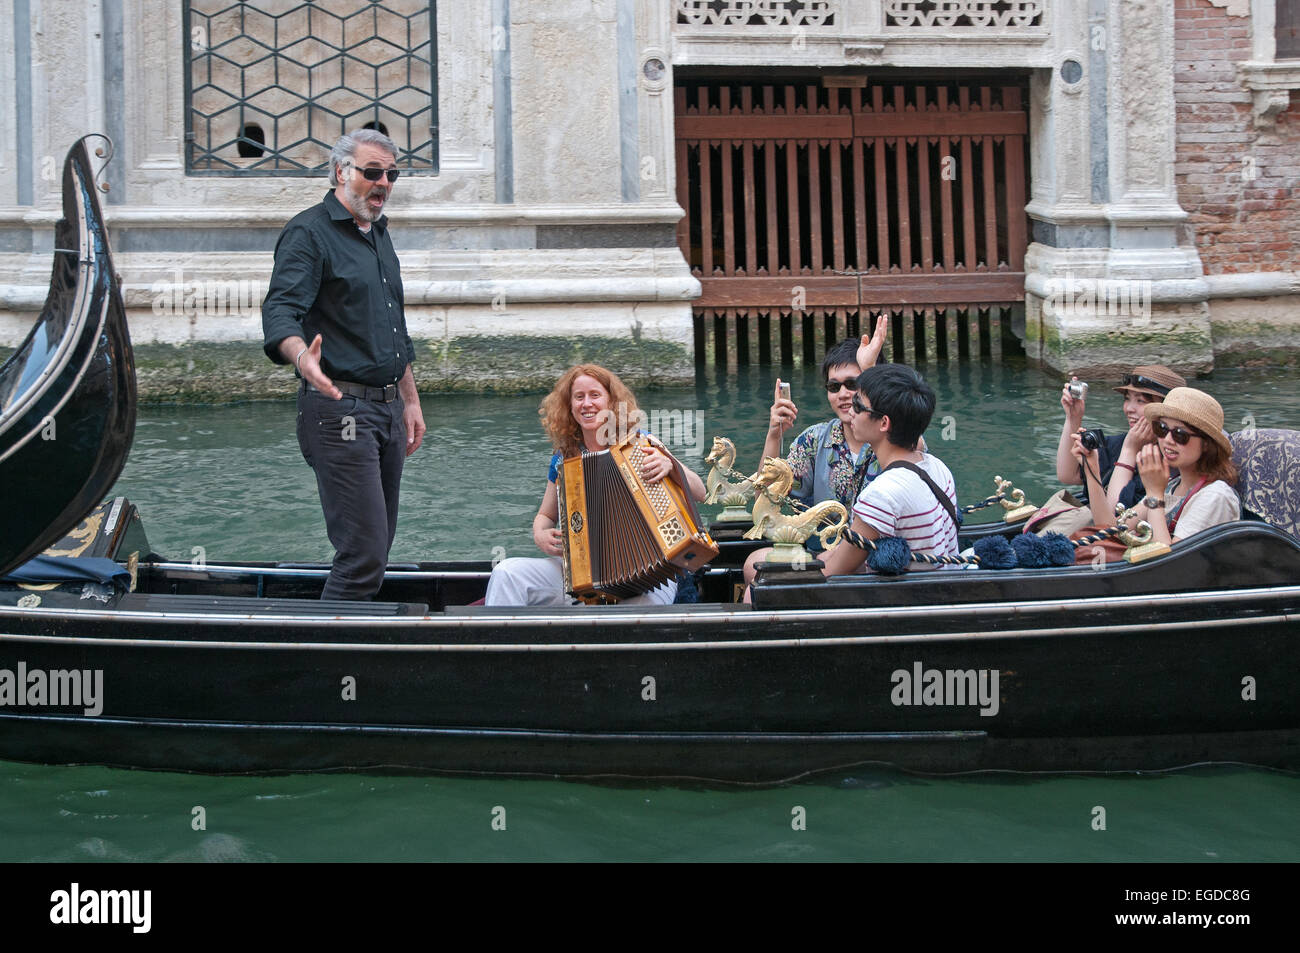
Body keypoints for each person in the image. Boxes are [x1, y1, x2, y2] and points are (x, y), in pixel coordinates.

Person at [261, 129, 426, 601]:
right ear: (340, 172)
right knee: (362, 554)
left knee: (379, 546)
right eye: (372, 172)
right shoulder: (308, 233)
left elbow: (394, 327)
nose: (384, 183)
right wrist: (302, 358)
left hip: (389, 410)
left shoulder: (378, 233)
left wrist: (410, 402)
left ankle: (355, 646)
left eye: (391, 174)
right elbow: (280, 312)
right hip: (339, 411)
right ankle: (328, 665)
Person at [485, 364, 708, 607]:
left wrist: (671, 464)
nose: (586, 404)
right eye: (578, 397)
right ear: (569, 406)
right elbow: (545, 516)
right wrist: (540, 534)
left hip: (652, 578)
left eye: (595, 395)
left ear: (611, 402)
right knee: (506, 573)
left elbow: (700, 492)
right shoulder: (564, 458)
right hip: (582, 576)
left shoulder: (641, 442)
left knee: (642, 609)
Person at [741, 317, 890, 587]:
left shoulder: (890, 432)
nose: (843, 394)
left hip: (878, 558)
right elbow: (764, 501)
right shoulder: (814, 440)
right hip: (820, 558)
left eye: (852, 384)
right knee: (754, 565)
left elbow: (916, 450)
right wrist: (774, 434)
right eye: (834, 387)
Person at [820, 363, 959, 578]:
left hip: (906, 603)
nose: (851, 412)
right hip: (943, 589)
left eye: (858, 405)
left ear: (884, 423)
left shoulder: (881, 496)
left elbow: (831, 573)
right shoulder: (938, 468)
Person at [1055, 365, 1186, 523]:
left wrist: (1129, 450)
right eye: (1127, 399)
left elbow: (1113, 518)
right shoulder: (1120, 442)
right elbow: (1068, 475)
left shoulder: (1174, 459)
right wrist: (1073, 418)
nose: (1129, 408)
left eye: (1140, 401)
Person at [1123, 387, 1239, 544]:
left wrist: (1154, 495)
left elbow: (1169, 562)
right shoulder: (1172, 485)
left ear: (1206, 444)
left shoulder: (1215, 496)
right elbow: (1118, 529)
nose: (1168, 440)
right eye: (1162, 428)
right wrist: (1092, 471)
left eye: (1180, 434)